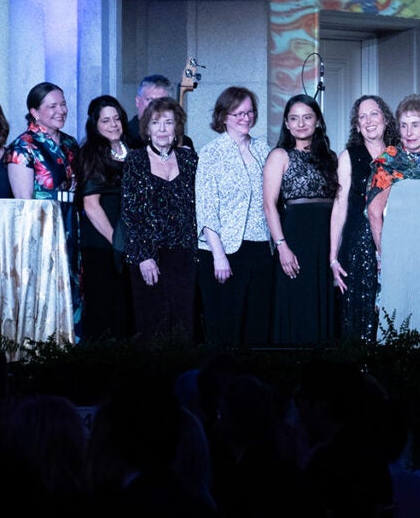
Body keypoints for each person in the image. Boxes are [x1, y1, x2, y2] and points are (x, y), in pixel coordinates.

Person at [195, 87, 273, 346]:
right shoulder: (211, 153)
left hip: (261, 248)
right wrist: (219, 256)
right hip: (224, 252)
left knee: (257, 326)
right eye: (237, 113)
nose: (245, 117)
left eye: (249, 111)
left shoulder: (264, 150)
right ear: (223, 116)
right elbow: (206, 209)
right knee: (226, 328)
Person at [6, 82, 83, 334]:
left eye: (63, 104)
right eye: (52, 106)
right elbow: (23, 202)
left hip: (72, 224)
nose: (61, 110)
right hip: (41, 230)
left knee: (74, 289)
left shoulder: (71, 143)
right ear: (35, 112)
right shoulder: (23, 146)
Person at [121, 96, 198, 342]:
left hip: (184, 252)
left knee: (183, 322)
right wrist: (144, 256)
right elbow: (131, 214)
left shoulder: (189, 160)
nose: (163, 129)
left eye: (168, 122)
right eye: (156, 123)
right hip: (148, 254)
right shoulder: (135, 160)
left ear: (177, 127)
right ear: (147, 128)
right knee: (153, 323)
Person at [263, 94, 339, 345]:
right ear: (286, 123)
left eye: (307, 117)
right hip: (295, 239)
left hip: (326, 240)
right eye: (294, 118)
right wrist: (282, 246)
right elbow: (269, 205)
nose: (301, 123)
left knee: (324, 302)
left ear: (317, 121)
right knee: (298, 303)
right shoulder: (279, 156)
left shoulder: (331, 157)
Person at [366, 94, 420, 337]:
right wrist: (384, 253)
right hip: (396, 251)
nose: (409, 131)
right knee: (395, 313)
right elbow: (374, 213)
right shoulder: (387, 163)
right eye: (404, 125)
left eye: (415, 124)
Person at [329, 95, 398, 344]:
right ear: (357, 126)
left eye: (374, 114)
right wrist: (333, 258)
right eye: (362, 117)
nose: (369, 121)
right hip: (358, 246)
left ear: (386, 119)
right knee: (359, 316)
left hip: (395, 241)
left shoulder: (398, 155)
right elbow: (339, 208)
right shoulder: (349, 156)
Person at [76, 94, 133, 341]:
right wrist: (116, 242)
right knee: (104, 310)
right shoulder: (91, 154)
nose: (113, 125)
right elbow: (91, 205)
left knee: (125, 310)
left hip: (126, 243)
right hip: (102, 244)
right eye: (106, 121)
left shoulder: (131, 149)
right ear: (95, 125)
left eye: (116, 119)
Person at [127, 74, 195, 149]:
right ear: (137, 101)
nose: (155, 106)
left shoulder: (183, 141)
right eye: (150, 100)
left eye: (161, 101)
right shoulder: (125, 136)